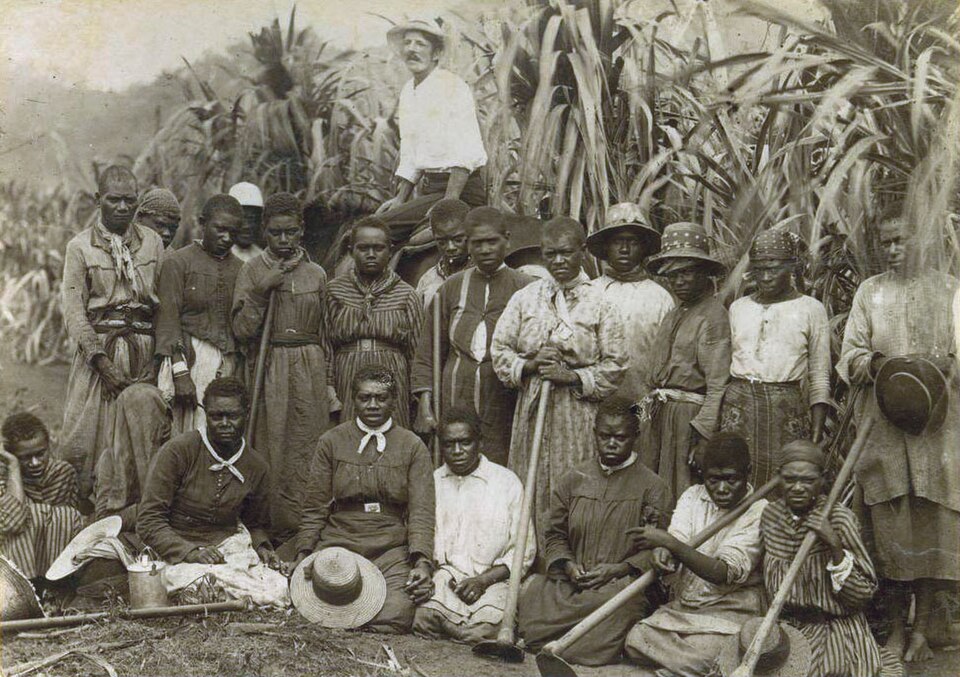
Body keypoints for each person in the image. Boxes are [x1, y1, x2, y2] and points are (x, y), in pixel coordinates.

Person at [837, 212, 960, 662]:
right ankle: (893, 628)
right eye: (886, 242)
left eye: (902, 239)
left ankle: (923, 627)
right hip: (884, 426)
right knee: (890, 526)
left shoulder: (949, 290)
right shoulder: (870, 292)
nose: (893, 249)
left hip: (937, 428)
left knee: (929, 519)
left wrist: (941, 366)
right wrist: (876, 365)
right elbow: (849, 353)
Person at [492, 216, 626, 539]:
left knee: (575, 484)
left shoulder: (601, 302)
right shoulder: (526, 298)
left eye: (566, 252)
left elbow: (617, 364)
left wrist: (571, 376)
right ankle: (529, 561)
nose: (559, 261)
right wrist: (531, 364)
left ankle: (570, 558)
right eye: (550, 254)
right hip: (533, 408)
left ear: (582, 251)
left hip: (577, 413)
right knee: (531, 484)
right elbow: (500, 351)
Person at [517, 397, 673, 666]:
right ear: (594, 434)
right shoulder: (573, 478)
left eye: (620, 437)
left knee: (620, 609)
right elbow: (554, 533)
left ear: (635, 437)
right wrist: (567, 565)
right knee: (533, 595)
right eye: (604, 436)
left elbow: (656, 546)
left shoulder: (652, 486)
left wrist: (618, 569)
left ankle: (563, 644)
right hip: (572, 582)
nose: (611, 443)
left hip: (619, 585)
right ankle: (561, 641)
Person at [289, 366, 435, 634]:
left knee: (398, 613)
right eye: (364, 398)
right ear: (352, 399)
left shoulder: (412, 445)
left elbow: (422, 511)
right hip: (341, 541)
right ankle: (344, 614)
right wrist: (304, 553)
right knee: (308, 596)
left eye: (381, 398)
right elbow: (315, 506)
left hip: (390, 546)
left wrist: (421, 561)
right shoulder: (331, 441)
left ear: (394, 401)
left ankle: (343, 618)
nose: (372, 405)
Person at [232, 192, 336, 537]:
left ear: (301, 230)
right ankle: (271, 527)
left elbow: (326, 332)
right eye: (275, 233)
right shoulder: (251, 271)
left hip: (310, 364)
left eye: (290, 232)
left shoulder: (317, 274)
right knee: (272, 442)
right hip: (270, 364)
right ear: (264, 231)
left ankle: (308, 527)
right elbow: (242, 330)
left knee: (308, 442)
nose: (283, 240)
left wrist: (329, 381)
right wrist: (263, 290)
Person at [59, 165, 164, 500]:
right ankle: (89, 514)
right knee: (90, 438)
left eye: (129, 200)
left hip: (144, 353)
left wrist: (158, 359)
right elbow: (74, 311)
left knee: (141, 436)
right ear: (97, 200)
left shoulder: (152, 243)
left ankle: (136, 513)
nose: (122, 207)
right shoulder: (79, 247)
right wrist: (101, 362)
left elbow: (164, 305)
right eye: (114, 199)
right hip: (100, 355)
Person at [623, 433, 768, 676]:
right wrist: (662, 551)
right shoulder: (692, 496)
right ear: (703, 475)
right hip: (687, 607)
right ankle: (694, 667)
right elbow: (675, 540)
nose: (721, 488)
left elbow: (721, 572)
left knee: (710, 651)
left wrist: (668, 543)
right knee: (636, 639)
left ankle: (685, 665)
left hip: (731, 610)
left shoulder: (760, 510)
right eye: (713, 480)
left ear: (748, 472)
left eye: (730, 479)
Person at [136, 377, 288, 607]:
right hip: (176, 548)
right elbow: (148, 520)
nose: (224, 423)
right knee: (193, 582)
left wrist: (263, 548)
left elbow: (255, 523)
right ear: (206, 414)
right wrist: (190, 551)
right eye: (216, 416)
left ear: (246, 414)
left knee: (276, 588)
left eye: (233, 416)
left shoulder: (256, 466)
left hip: (226, 548)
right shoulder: (179, 452)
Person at [759, 440, 899, 677]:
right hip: (785, 628)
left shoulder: (839, 520)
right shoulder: (771, 516)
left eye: (808, 481)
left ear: (823, 480)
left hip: (833, 629)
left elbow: (862, 595)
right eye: (790, 479)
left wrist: (834, 545)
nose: (798, 488)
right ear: (778, 478)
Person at [412, 207, 533, 465]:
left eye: (492, 242)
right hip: (456, 394)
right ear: (468, 244)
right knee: (456, 463)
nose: (485, 249)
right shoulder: (450, 288)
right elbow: (427, 352)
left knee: (502, 464)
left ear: (507, 240)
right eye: (477, 243)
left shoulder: (527, 288)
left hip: (504, 398)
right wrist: (425, 406)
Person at [413, 406, 535, 644]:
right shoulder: (433, 482)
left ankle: (464, 632)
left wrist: (483, 581)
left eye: (465, 442)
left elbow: (525, 549)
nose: (457, 451)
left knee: (488, 627)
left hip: (494, 580)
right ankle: (465, 635)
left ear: (480, 443)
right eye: (449, 444)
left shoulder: (506, 482)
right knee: (423, 619)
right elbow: (424, 538)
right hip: (448, 577)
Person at [720, 229, 831, 487]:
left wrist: (815, 430)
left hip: (786, 411)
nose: (766, 277)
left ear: (791, 267)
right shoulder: (738, 308)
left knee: (785, 484)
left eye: (774, 268)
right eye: (759, 269)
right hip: (738, 409)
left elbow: (820, 373)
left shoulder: (811, 309)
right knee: (736, 479)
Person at [374, 17, 487, 243]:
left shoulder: (452, 86)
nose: (411, 50)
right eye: (407, 43)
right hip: (430, 190)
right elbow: (411, 153)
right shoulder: (409, 91)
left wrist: (448, 206)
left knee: (379, 230)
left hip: (460, 192)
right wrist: (400, 198)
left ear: (436, 54)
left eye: (420, 44)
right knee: (379, 220)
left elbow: (465, 152)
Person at [641, 222, 731, 499]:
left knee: (681, 488)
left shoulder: (712, 316)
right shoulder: (676, 312)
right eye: (672, 275)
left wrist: (703, 436)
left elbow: (717, 384)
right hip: (660, 414)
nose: (679, 282)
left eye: (687, 273)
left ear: (704, 274)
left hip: (687, 419)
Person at [156, 195, 244, 435]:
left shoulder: (241, 269)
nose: (227, 238)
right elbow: (168, 320)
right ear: (202, 223)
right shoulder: (178, 262)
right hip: (189, 360)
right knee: (185, 432)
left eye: (233, 232)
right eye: (220, 229)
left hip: (226, 363)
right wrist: (180, 373)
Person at [324, 217, 424, 429]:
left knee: (393, 439)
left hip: (392, 373)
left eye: (378, 248)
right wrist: (329, 386)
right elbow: (326, 346)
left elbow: (417, 351)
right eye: (363, 248)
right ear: (351, 251)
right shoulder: (334, 291)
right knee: (350, 438)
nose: (371, 254)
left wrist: (417, 396)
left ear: (390, 250)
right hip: (347, 374)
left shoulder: (406, 294)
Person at [586, 203, 674, 402]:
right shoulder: (589, 292)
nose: (624, 249)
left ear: (643, 248)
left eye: (632, 242)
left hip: (642, 401)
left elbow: (667, 357)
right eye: (617, 242)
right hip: (593, 401)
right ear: (606, 246)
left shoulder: (660, 298)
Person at [0, 413, 83, 582]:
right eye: (24, 458)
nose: (35, 463)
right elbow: (13, 522)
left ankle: (56, 587)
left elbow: (65, 524)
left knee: (65, 515)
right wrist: (13, 468)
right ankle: (25, 590)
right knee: (31, 516)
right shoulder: (4, 478)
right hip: (11, 562)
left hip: (53, 562)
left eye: (40, 453)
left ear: (49, 446)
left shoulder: (61, 473)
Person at [415, 198, 470, 304]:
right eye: (442, 242)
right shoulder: (428, 280)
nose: (450, 247)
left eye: (458, 240)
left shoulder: (483, 276)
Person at [228, 182, 265, 262]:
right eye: (242, 219)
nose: (247, 226)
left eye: (252, 219)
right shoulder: (217, 257)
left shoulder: (262, 258)